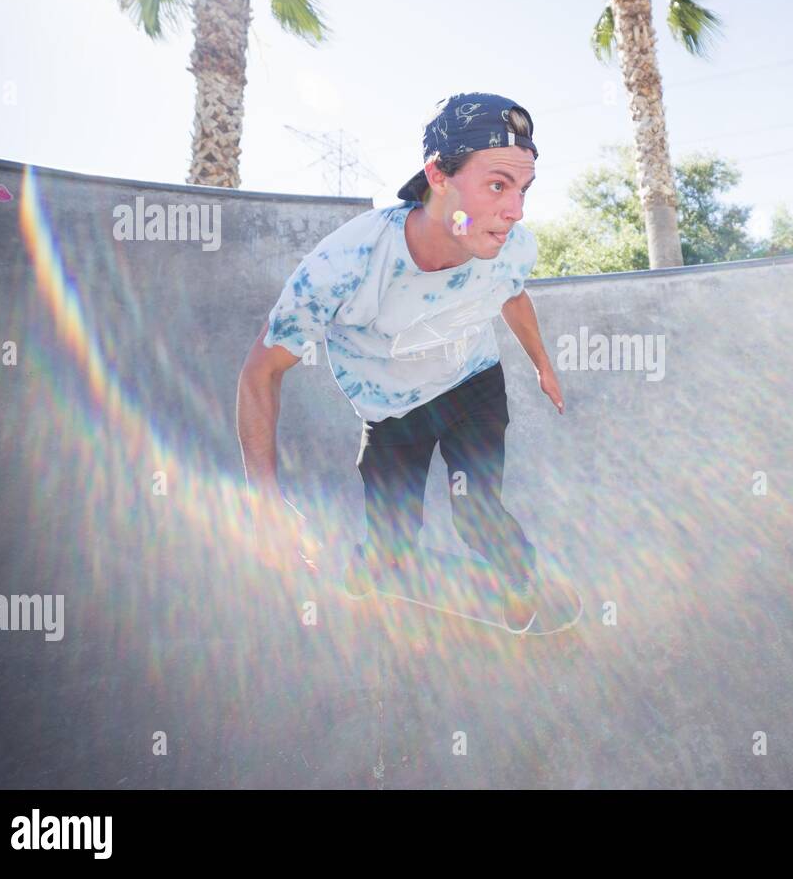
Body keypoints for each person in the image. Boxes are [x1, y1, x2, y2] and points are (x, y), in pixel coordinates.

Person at [236, 92, 564, 632]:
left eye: (524, 190)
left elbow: (511, 293)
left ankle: (519, 575)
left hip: (473, 387)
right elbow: (261, 370)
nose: (515, 211)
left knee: (477, 511)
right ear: (438, 176)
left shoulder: (510, 245)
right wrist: (264, 500)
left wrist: (542, 364)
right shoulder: (347, 263)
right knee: (392, 524)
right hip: (391, 411)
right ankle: (381, 558)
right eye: (498, 185)